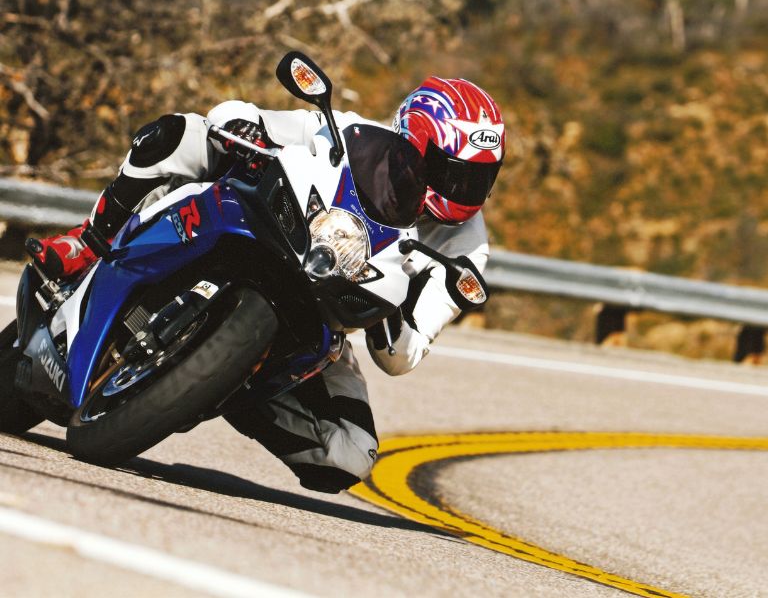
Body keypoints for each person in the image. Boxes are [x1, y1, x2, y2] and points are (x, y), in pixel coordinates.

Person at [27, 77, 505, 493]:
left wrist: (389, 321)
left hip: (331, 313)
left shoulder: (469, 249)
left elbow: (404, 356)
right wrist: (241, 127)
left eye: (480, 179)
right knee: (181, 133)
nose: (466, 192)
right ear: (415, 143)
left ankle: (228, 387)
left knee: (350, 454)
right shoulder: (355, 133)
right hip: (276, 230)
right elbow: (240, 114)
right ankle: (88, 242)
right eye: (453, 174)